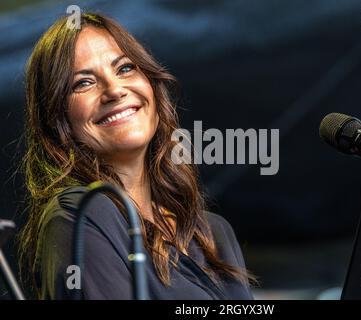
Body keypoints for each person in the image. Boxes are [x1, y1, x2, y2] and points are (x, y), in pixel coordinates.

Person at [17, 13, 257, 300]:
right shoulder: (79, 214)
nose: (115, 90)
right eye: (83, 83)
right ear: (57, 118)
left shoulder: (212, 232)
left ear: (152, 86)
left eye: (126, 68)